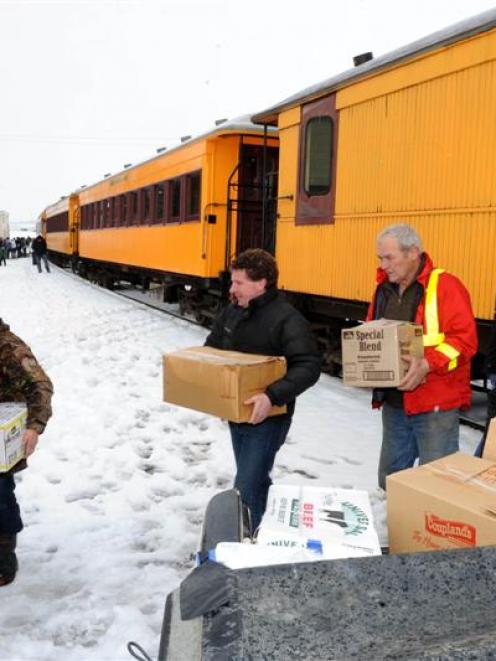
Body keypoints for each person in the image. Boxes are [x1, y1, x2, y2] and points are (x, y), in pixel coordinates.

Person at [205, 249, 321, 530]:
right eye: (232, 282)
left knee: (245, 484)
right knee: (255, 478)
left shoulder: (287, 319)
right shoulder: (233, 311)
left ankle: (247, 539)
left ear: (261, 283)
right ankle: (264, 527)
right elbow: (212, 347)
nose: (232, 289)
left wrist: (271, 396)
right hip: (238, 413)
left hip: (269, 416)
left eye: (239, 283)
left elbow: (308, 365)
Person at [368, 224, 478, 489]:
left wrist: (428, 364)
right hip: (395, 404)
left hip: (434, 405)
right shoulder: (383, 290)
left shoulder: (446, 287)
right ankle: (396, 528)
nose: (383, 266)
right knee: (391, 482)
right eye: (380, 259)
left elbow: (465, 341)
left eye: (389, 258)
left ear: (413, 252)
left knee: (436, 486)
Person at [0, 318, 53, 586]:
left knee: (0, 497)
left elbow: (40, 386)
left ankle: (4, 559)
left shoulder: (9, 347)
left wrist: (34, 426)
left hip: (3, 437)